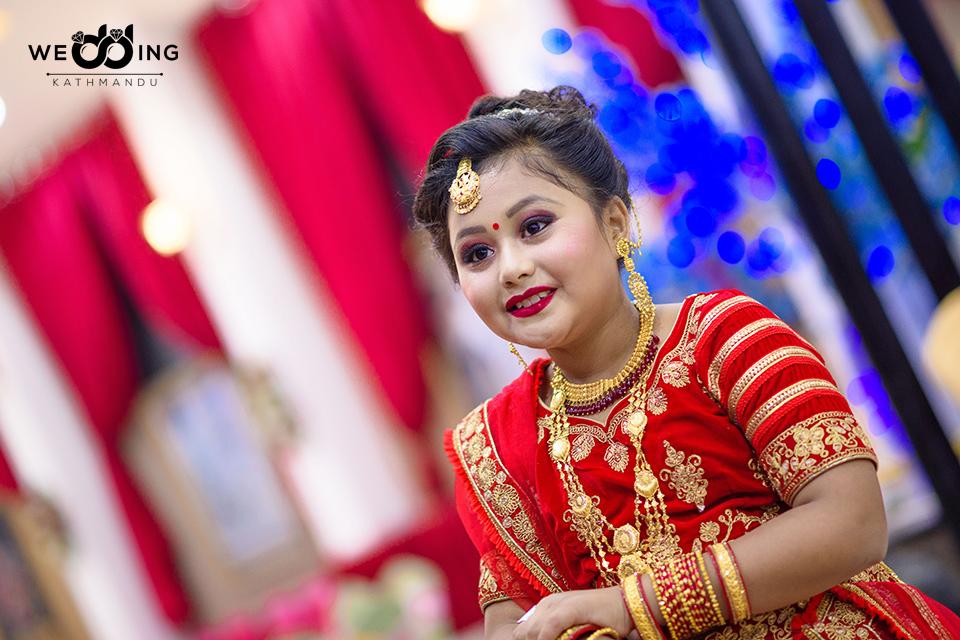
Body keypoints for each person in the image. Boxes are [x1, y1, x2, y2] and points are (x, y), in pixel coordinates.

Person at [411, 86, 960, 640]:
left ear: (616, 224)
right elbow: (514, 622)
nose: (511, 268)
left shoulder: (726, 338)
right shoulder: (496, 448)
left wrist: (635, 607)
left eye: (534, 227)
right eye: (477, 254)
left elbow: (853, 524)